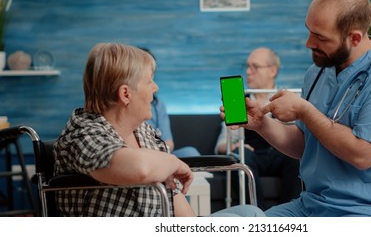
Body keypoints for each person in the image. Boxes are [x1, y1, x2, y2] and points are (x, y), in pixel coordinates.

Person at [222, 0, 371, 216]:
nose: (309, 43)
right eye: (309, 31)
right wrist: (261, 124)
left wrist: (305, 111)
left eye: (320, 37)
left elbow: (363, 155)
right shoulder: (317, 72)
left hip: (370, 211)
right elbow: (304, 145)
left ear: (354, 38)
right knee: (239, 220)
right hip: (312, 205)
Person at [54, 43, 265, 217]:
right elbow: (141, 169)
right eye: (149, 81)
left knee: (251, 214)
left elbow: (175, 198)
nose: (155, 88)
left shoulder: (142, 131)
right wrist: (173, 162)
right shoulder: (84, 131)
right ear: (125, 94)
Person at [215, 47, 301, 210]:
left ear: (272, 70)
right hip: (253, 155)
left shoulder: (289, 98)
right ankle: (256, 215)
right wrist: (235, 147)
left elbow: (301, 136)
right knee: (240, 155)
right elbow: (221, 146)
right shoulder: (239, 100)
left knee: (296, 157)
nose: (248, 72)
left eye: (255, 67)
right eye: (247, 66)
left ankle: (290, 213)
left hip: (282, 154)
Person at [139, 47, 200, 158]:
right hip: (145, 157)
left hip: (161, 154)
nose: (156, 88)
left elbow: (168, 141)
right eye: (148, 80)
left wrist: (162, 155)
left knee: (191, 152)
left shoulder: (157, 105)